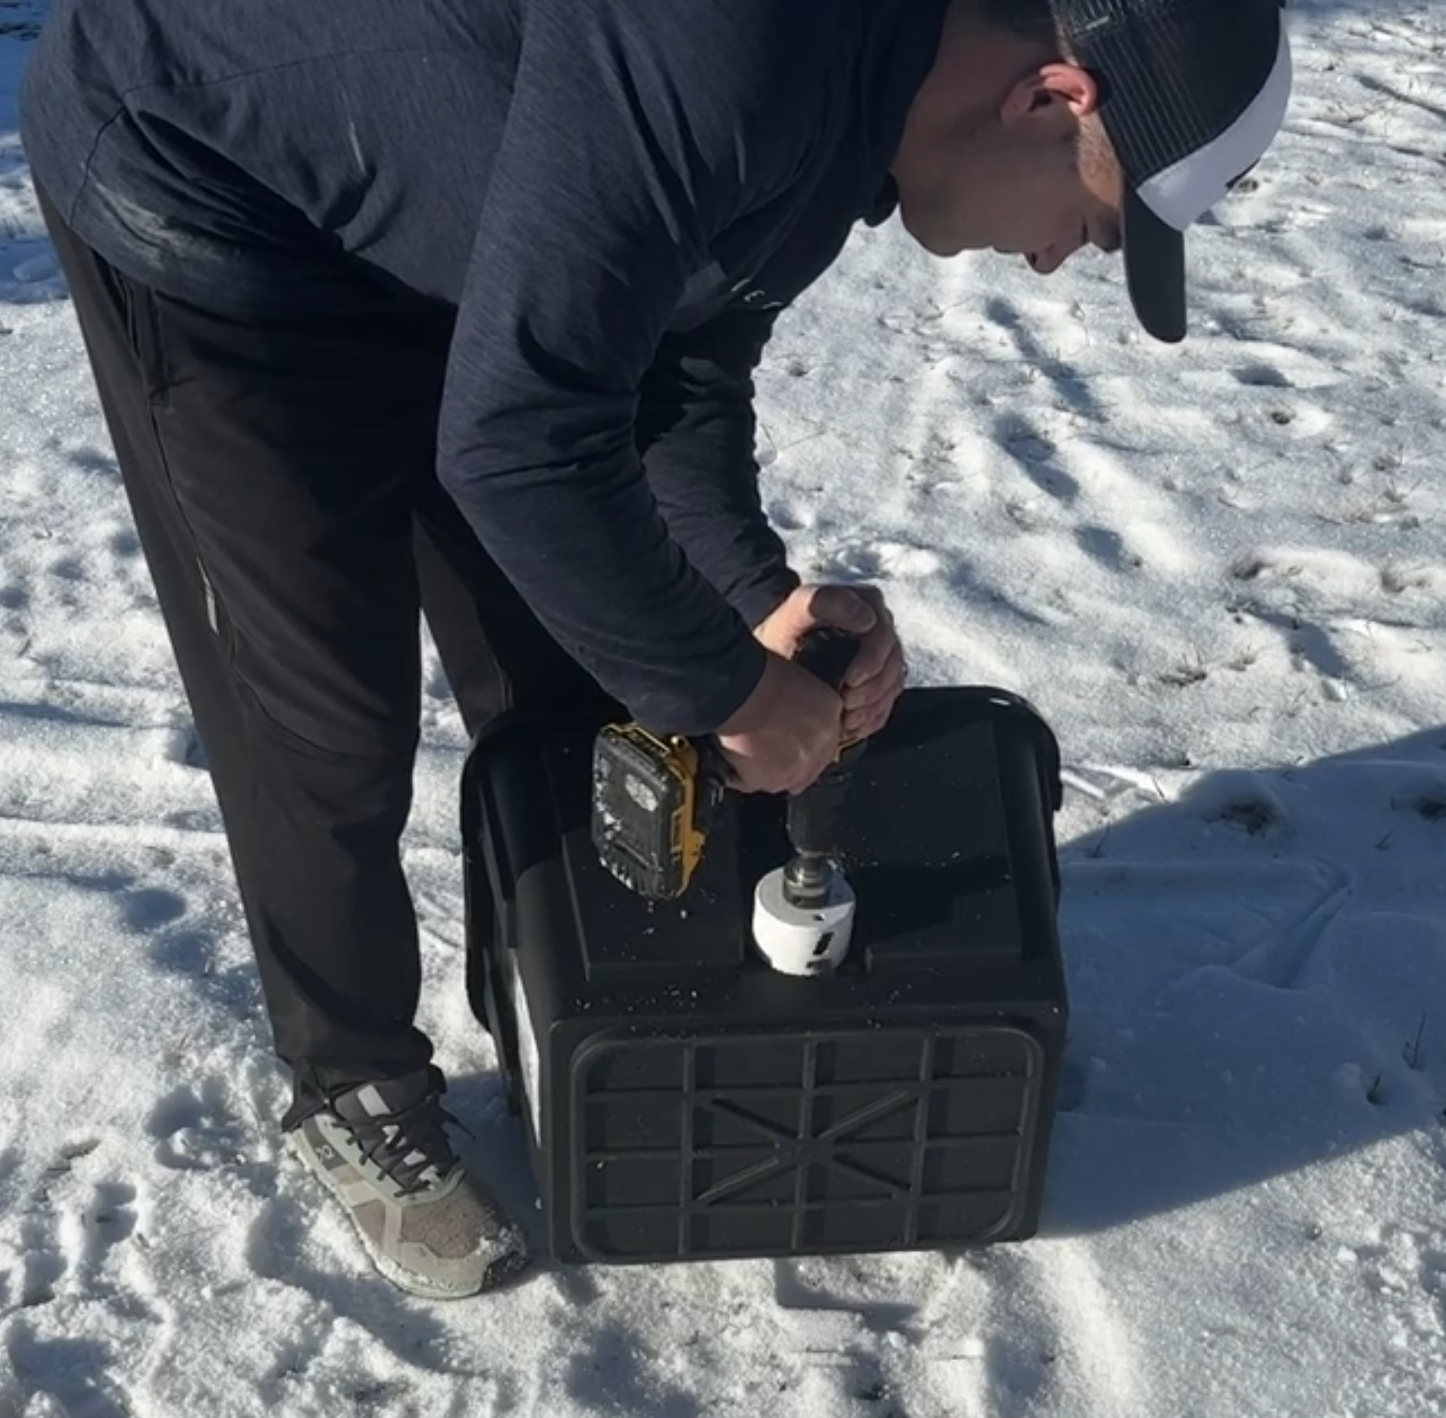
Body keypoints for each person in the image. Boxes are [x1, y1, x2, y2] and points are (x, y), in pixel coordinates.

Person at [18, 0, 1293, 1299]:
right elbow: (519, 443)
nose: (1051, 260)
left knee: (567, 665)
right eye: (1094, 221)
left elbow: (678, 365)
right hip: (205, 184)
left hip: (424, 196)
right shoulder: (739, 46)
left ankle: (566, 991)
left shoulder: (858, 102)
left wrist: (753, 597)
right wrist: (727, 689)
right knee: (321, 714)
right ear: (1051, 99)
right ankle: (348, 1076)